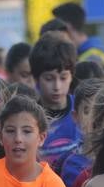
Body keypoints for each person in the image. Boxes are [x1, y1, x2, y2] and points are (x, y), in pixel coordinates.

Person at [30, 34, 80, 169]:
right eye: (49, 78)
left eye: (63, 78)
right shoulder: (28, 116)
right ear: (36, 78)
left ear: (71, 76)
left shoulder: (82, 110)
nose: (57, 86)